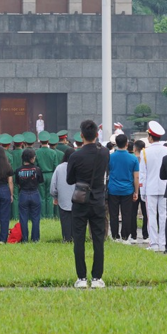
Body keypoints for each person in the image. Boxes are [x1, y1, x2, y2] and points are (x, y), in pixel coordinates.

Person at [66, 120, 109, 288]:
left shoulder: (75, 155)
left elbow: (70, 180)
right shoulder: (104, 153)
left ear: (81, 135)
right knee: (98, 239)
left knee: (79, 240)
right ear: (97, 135)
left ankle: (82, 278)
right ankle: (97, 278)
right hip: (98, 200)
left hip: (80, 201)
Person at [138, 121, 167, 252]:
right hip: (165, 187)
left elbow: (143, 174)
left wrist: (142, 191)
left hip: (150, 187)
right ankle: (163, 242)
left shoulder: (145, 152)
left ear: (150, 137)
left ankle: (154, 242)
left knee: (151, 216)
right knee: (164, 215)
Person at [107, 134, 139, 242]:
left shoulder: (110, 157)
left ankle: (115, 236)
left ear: (115, 143)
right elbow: (136, 177)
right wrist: (136, 191)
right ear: (127, 144)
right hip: (127, 190)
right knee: (127, 214)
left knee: (114, 214)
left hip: (113, 189)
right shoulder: (133, 158)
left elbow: (107, 172)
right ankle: (125, 236)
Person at [14, 148, 44, 242]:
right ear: (31, 158)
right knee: (35, 217)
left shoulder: (18, 170)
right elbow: (40, 181)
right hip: (35, 193)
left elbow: (17, 183)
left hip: (23, 193)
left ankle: (24, 238)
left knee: (23, 217)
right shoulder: (37, 169)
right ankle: (35, 238)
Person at [50, 148, 76, 242]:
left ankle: (66, 238)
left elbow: (53, 185)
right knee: (76, 220)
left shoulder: (59, 168)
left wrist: (55, 196)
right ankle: (75, 237)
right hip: (77, 198)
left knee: (65, 220)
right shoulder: (78, 166)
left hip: (63, 199)